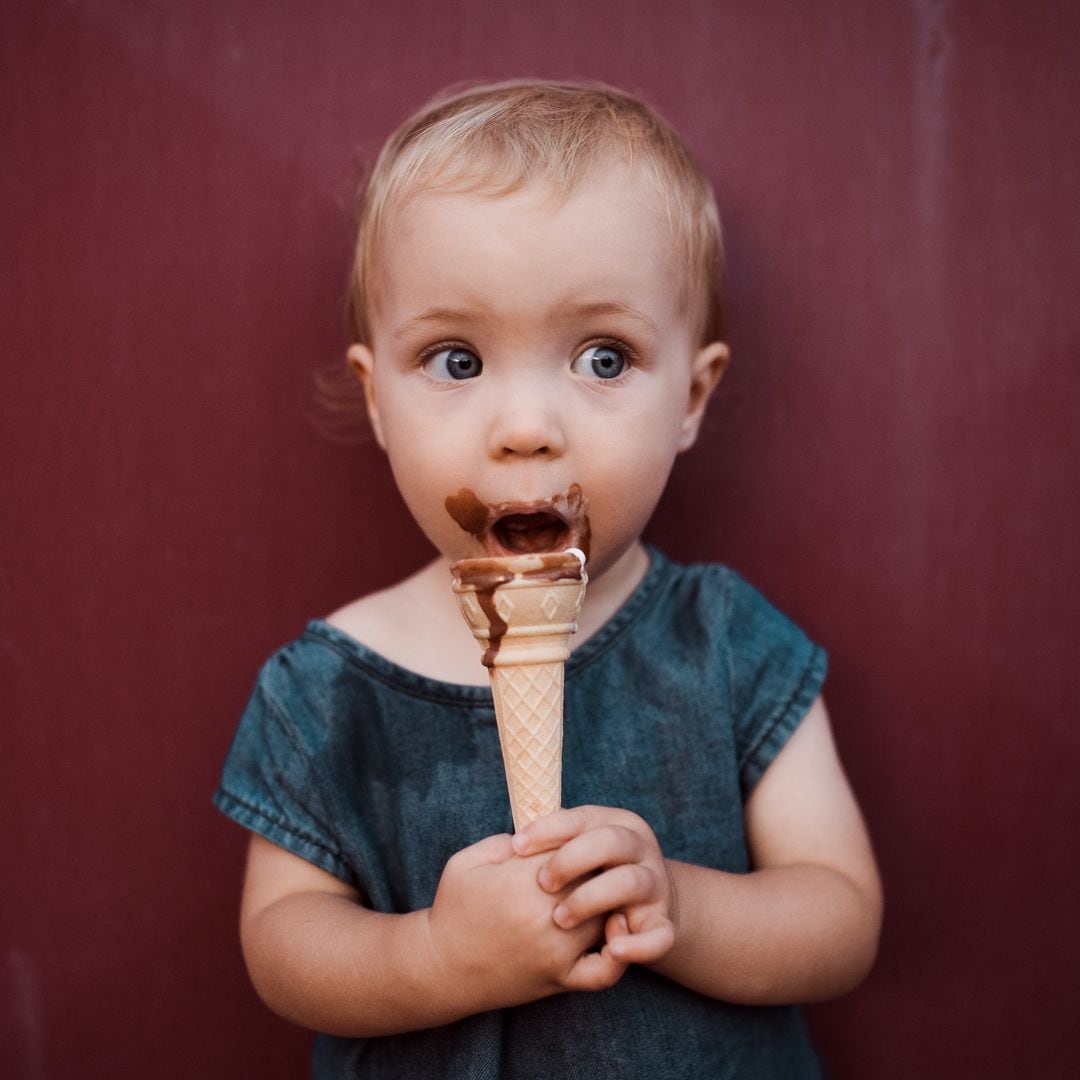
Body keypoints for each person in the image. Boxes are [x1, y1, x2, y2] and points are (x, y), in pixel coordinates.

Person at [214, 79, 882, 1078]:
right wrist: (434, 957)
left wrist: (685, 908)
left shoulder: (726, 644)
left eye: (604, 358)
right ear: (378, 400)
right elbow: (282, 945)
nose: (526, 428)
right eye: (455, 359)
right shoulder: (326, 691)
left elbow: (841, 914)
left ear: (691, 398)